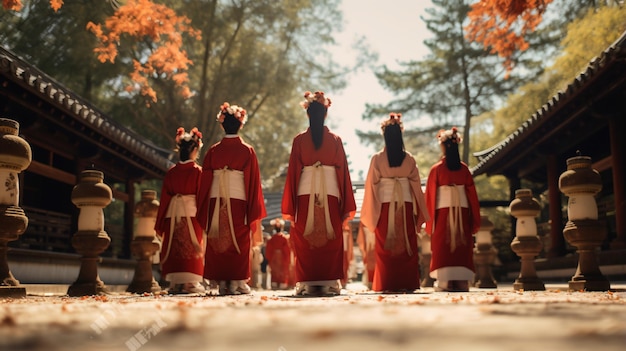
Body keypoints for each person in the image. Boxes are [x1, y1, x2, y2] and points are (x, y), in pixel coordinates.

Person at [281, 91, 356, 296]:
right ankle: (330, 281)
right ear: (325, 114)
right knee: (330, 235)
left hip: (305, 193)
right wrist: (344, 200)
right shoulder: (335, 140)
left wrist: (293, 203)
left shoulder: (299, 141)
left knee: (306, 235)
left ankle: (306, 282)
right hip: (330, 193)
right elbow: (342, 172)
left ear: (308, 114)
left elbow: (294, 173)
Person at [197, 102, 267, 295]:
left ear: (222, 124)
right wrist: (252, 204)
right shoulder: (247, 150)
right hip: (238, 200)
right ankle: (237, 282)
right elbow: (253, 182)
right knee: (239, 237)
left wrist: (206, 204)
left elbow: (205, 181)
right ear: (241, 124)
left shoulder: (213, 151)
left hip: (216, 200)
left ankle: (220, 281)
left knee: (218, 237)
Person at [360, 113, 430, 293]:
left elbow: (372, 186)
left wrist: (372, 210)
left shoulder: (377, 159)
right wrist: (419, 210)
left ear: (385, 135)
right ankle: (408, 282)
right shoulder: (409, 159)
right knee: (406, 243)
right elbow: (415, 185)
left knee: (386, 245)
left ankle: (387, 283)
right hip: (405, 206)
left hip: (384, 206)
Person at [425, 127, 480, 292]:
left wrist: (429, 221)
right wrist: (474, 219)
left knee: (442, 243)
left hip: (442, 213)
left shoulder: (437, 169)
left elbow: (429, 196)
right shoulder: (464, 169)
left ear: (443, 147)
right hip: (462, 212)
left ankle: (445, 282)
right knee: (462, 244)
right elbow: (473, 197)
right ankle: (462, 281)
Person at [154, 127, 206, 294]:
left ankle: (175, 282)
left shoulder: (171, 172)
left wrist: (161, 220)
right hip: (192, 214)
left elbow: (164, 199)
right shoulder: (198, 172)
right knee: (191, 245)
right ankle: (190, 282)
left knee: (175, 244)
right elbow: (202, 196)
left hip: (173, 214)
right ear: (195, 150)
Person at [265, 218, 292, 290]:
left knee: (275, 269)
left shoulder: (272, 238)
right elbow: (287, 248)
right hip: (282, 255)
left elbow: (269, 248)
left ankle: (274, 283)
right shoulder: (284, 238)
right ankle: (282, 283)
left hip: (274, 256)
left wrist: (269, 257)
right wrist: (287, 257)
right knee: (282, 269)